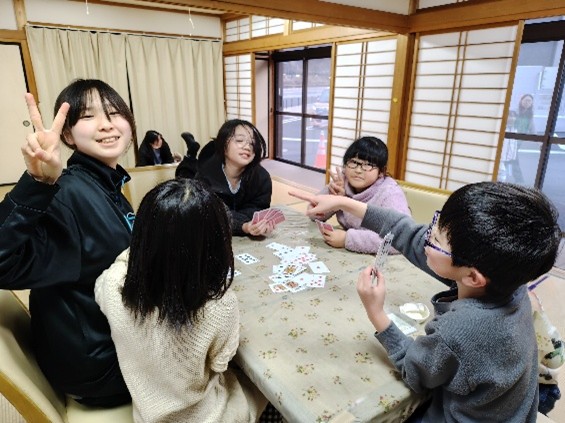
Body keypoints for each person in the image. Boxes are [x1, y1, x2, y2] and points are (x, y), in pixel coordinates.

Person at [290, 182, 561, 421]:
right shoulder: (506, 281)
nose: (427, 235)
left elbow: (415, 372)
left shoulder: (459, 330)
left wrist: (376, 313)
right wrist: (343, 202)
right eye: (436, 223)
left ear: (473, 277)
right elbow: (406, 231)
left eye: (437, 238)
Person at [0, 79, 136, 406]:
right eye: (88, 116)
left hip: (103, 342)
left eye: (114, 113)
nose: (106, 124)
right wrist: (37, 182)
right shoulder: (68, 194)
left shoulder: (103, 184)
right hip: (99, 366)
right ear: (68, 135)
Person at [95, 178, 267, 422]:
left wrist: (143, 254)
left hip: (146, 415)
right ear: (215, 246)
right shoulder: (220, 305)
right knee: (267, 388)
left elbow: (110, 277)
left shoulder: (113, 284)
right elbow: (221, 363)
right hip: (208, 416)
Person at [316, 136, 410, 254]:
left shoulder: (390, 193)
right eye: (354, 162)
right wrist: (333, 198)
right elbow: (313, 213)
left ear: (381, 171)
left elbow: (401, 239)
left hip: (383, 259)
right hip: (351, 253)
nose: (358, 170)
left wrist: (347, 239)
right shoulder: (343, 181)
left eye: (368, 165)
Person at [196, 119, 273, 237]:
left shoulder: (262, 178)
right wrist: (242, 225)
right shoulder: (205, 176)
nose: (247, 147)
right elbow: (208, 214)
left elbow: (258, 208)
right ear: (223, 145)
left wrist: (255, 224)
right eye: (240, 140)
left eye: (252, 143)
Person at [499, 110, 524, 183]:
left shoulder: (515, 128)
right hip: (501, 154)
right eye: (509, 116)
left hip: (509, 154)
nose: (512, 118)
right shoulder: (502, 127)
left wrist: (513, 155)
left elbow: (514, 143)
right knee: (502, 170)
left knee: (505, 169)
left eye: (513, 116)